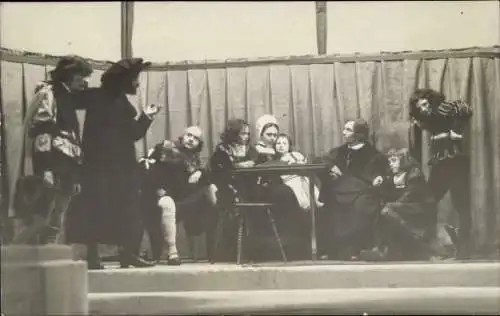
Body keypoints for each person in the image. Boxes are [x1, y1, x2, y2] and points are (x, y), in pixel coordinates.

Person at [66, 58, 160, 269]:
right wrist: (147, 116)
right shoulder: (120, 104)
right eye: (135, 79)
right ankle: (125, 254)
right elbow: (133, 134)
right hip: (117, 168)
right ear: (124, 80)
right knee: (123, 209)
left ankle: (95, 256)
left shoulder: (96, 96)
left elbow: (69, 98)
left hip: (97, 166)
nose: (137, 84)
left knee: (96, 208)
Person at [10, 56, 93, 244]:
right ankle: (14, 254)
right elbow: (42, 132)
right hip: (52, 162)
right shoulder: (49, 94)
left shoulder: (69, 96)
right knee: (42, 215)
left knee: (59, 212)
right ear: (69, 76)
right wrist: (46, 169)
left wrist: (76, 175)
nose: (84, 81)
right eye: (80, 76)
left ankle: (49, 251)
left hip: (68, 163)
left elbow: (73, 135)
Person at [409, 88, 473, 259]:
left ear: (431, 101)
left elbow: (464, 108)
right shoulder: (428, 118)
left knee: (462, 205)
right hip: (441, 165)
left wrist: (457, 131)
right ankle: (432, 243)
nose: (423, 108)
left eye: (425, 104)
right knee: (428, 200)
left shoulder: (442, 109)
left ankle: (464, 248)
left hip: (456, 163)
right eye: (419, 106)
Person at [140, 126, 216, 265]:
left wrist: (200, 172)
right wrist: (157, 188)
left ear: (199, 144)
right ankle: (172, 252)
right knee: (167, 202)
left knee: (209, 190)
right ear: (183, 136)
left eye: (196, 138)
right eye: (189, 135)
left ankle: (212, 248)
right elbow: (147, 167)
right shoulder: (167, 148)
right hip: (155, 195)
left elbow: (203, 177)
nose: (191, 139)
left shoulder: (193, 160)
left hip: (177, 199)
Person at [319, 119, 388, 260]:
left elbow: (378, 173)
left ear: (359, 134)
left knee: (362, 206)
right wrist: (330, 167)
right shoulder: (339, 151)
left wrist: (378, 178)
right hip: (340, 189)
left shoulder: (373, 154)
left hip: (361, 191)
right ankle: (334, 250)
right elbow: (322, 160)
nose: (343, 132)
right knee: (331, 203)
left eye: (348, 130)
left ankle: (355, 249)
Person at [360, 148, 439, 261]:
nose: (391, 164)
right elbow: (388, 193)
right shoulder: (393, 176)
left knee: (388, 211)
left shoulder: (414, 174)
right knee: (381, 211)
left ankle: (411, 239)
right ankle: (385, 247)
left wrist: (392, 205)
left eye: (394, 161)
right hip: (404, 208)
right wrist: (380, 183)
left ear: (403, 161)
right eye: (390, 161)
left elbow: (410, 195)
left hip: (420, 208)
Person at [209, 119, 259, 262]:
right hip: (226, 187)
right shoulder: (222, 149)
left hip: (247, 187)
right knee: (231, 207)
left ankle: (248, 253)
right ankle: (226, 253)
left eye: (248, 134)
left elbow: (255, 166)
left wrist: (241, 166)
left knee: (252, 204)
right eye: (243, 133)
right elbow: (219, 171)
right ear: (234, 133)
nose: (246, 137)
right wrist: (239, 166)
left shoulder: (251, 150)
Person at [274, 133, 323, 211]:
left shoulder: (294, 154)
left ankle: (315, 200)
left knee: (306, 182)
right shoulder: (277, 159)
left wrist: (300, 163)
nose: (281, 145)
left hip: (300, 176)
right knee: (296, 188)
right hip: (288, 180)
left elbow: (303, 163)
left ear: (289, 146)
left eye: (284, 143)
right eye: (278, 143)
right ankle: (305, 204)